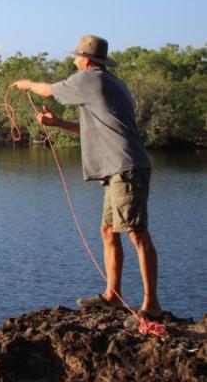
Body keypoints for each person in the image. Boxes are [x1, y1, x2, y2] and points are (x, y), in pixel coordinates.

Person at [12, 34, 163, 320]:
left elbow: (47, 91)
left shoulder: (89, 80)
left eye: (76, 56)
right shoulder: (109, 83)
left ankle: (151, 304)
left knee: (137, 234)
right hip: (119, 170)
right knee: (108, 231)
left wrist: (27, 84)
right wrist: (56, 123)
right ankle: (113, 296)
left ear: (87, 60)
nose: (73, 60)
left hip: (126, 168)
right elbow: (91, 131)